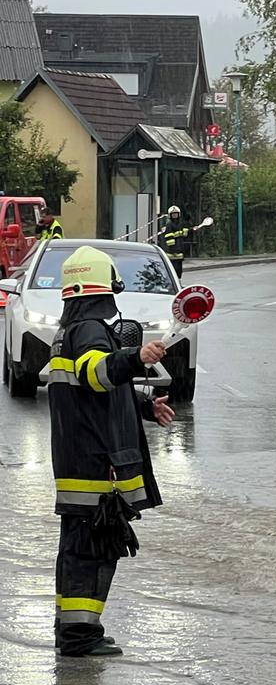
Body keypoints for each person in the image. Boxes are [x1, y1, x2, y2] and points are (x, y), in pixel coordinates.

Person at [49, 245, 175, 657]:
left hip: (79, 456)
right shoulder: (89, 329)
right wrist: (136, 356)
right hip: (93, 461)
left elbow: (90, 393)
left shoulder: (71, 330)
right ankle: (78, 636)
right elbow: (97, 375)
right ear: (108, 287)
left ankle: (73, 630)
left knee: (80, 546)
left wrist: (142, 404)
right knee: (90, 550)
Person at [159, 206, 191, 278]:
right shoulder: (169, 225)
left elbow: (184, 235)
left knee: (179, 271)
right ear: (170, 215)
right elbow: (169, 239)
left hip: (179, 252)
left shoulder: (180, 224)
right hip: (172, 253)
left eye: (176, 214)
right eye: (173, 214)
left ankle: (178, 283)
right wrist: (174, 251)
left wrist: (191, 230)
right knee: (173, 271)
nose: (175, 216)